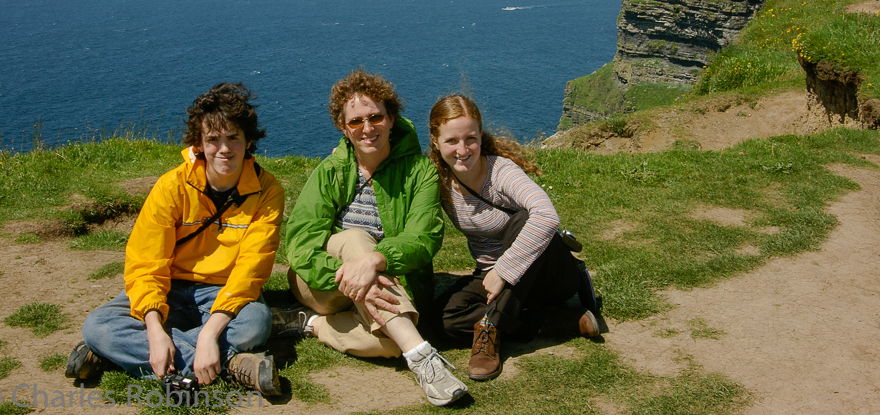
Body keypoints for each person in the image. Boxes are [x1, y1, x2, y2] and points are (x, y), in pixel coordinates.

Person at [65, 83, 285, 396]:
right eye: (213, 139)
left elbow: (251, 271)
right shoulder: (172, 187)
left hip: (221, 293)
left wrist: (210, 333)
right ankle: (232, 365)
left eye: (233, 137)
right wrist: (154, 331)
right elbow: (146, 263)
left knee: (255, 323)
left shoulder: (268, 191)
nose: (224, 149)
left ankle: (119, 354)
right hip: (169, 286)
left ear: (248, 141)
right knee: (98, 326)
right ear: (199, 144)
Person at [278, 68, 468, 407]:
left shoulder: (419, 172)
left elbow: (424, 237)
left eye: (376, 117)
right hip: (320, 283)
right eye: (356, 121)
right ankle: (425, 360)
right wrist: (351, 273)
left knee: (391, 344)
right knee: (354, 240)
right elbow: (301, 243)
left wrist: (375, 262)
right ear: (343, 126)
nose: (367, 128)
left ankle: (315, 325)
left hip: (384, 287)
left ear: (391, 119)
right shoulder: (331, 172)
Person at [428, 94, 601, 382]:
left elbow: (546, 216)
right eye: (451, 141)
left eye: (470, 138)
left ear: (480, 137)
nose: (462, 149)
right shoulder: (439, 181)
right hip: (493, 274)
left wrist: (503, 270)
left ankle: (489, 331)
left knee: (524, 219)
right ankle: (552, 321)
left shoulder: (500, 172)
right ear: (436, 142)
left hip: (548, 274)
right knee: (441, 320)